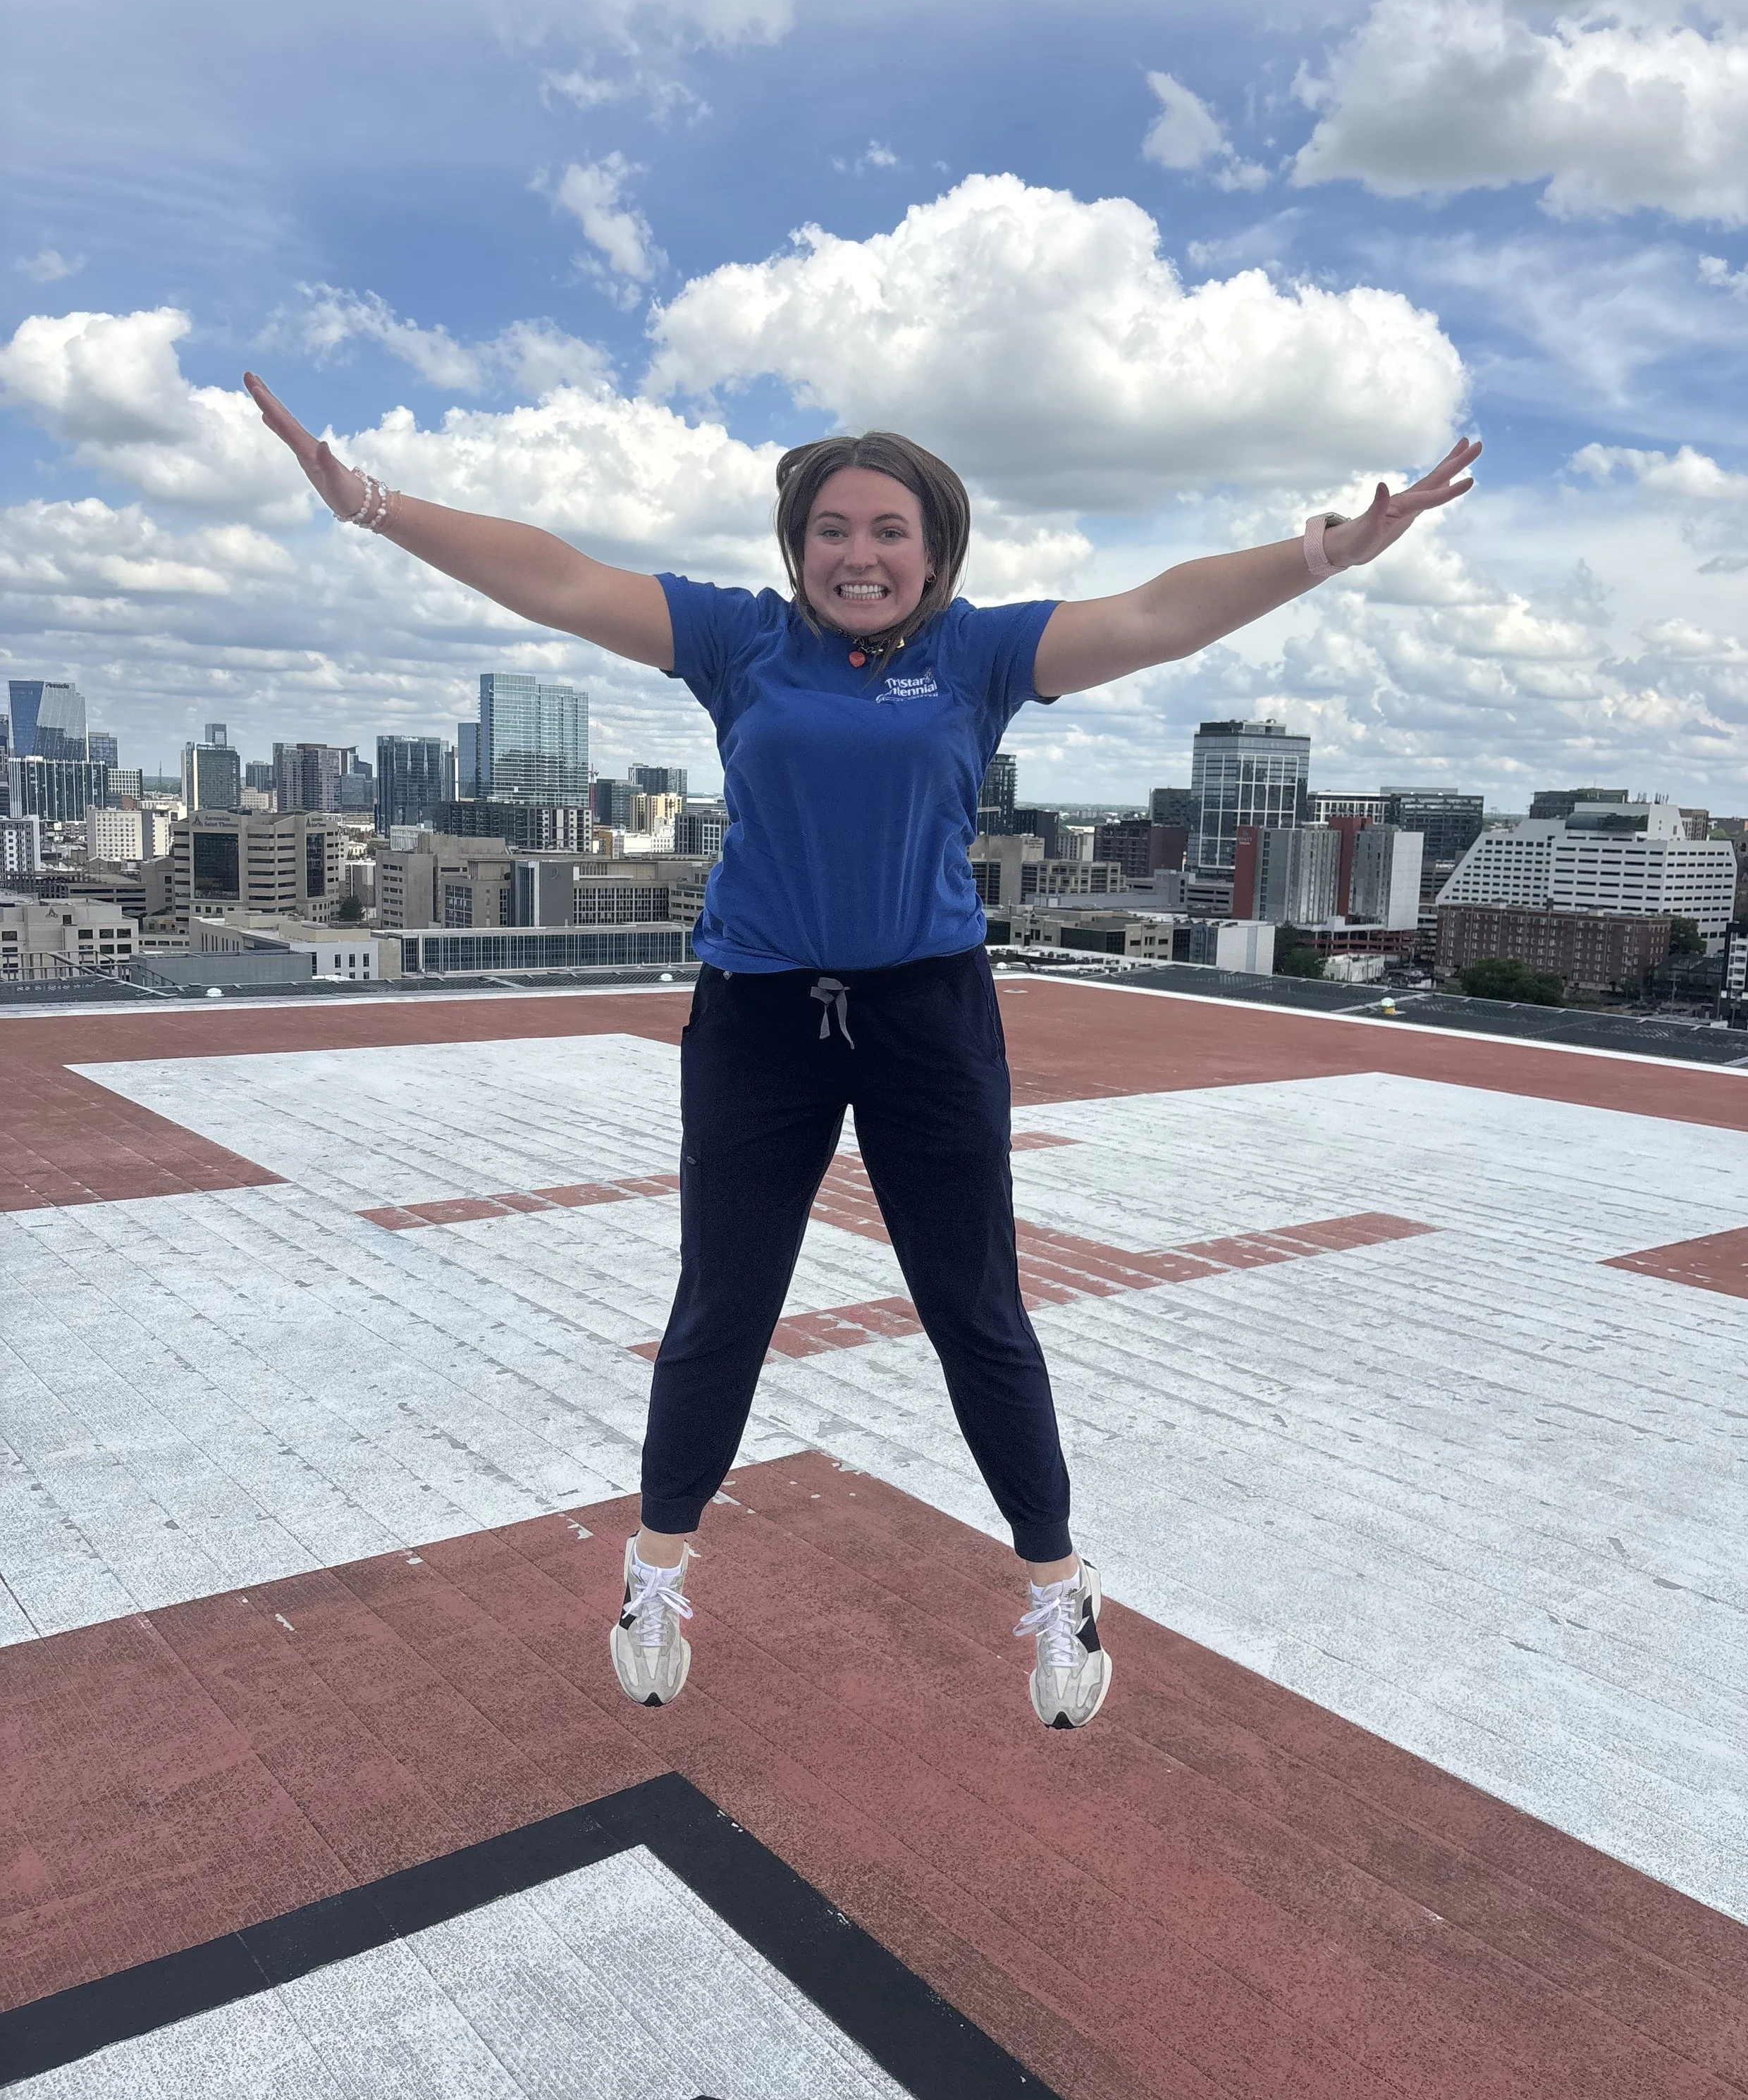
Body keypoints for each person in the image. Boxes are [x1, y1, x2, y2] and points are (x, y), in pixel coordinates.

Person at [246, 372, 1477, 1730]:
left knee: (976, 1309)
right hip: (760, 1017)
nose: (860, 554)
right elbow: (557, 579)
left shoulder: (984, 655)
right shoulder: (736, 643)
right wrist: (367, 502)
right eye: (833, 529)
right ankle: (655, 1567)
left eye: (891, 531)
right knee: (725, 1305)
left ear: (936, 553)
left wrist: (1328, 553)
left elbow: (1153, 614)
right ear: (798, 550)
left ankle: (1060, 1583)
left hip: (927, 1018)